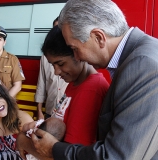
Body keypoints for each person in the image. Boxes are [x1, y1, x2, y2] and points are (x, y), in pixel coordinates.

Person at [24, 0, 158, 159]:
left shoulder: (142, 64)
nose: (77, 57)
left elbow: (117, 155)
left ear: (98, 37)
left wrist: (52, 149)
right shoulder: (139, 56)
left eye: (74, 49)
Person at [17, 26, 109, 159]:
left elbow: (68, 155)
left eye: (60, 64)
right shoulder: (75, 83)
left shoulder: (91, 90)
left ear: (78, 54)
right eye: (52, 65)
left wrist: (23, 142)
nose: (56, 72)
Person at [35, 17, 68, 120]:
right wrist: (39, 111)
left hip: (67, 112)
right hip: (50, 111)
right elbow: (41, 84)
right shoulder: (45, 58)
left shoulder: (76, 56)